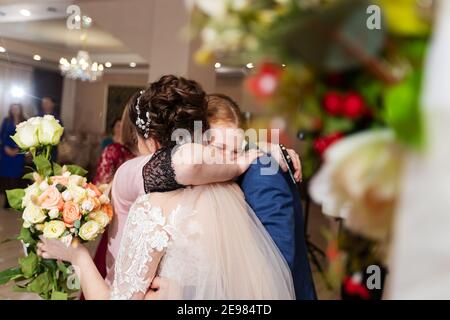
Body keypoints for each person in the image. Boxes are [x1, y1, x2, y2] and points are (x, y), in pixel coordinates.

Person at [38, 75, 296, 299]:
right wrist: (256, 154)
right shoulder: (231, 192)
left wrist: (77, 256)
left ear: (149, 139)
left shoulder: (152, 206)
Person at [206, 93, 316, 299]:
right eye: (219, 149)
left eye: (236, 150)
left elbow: (277, 267)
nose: (230, 160)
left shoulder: (262, 175)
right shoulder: (206, 175)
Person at [0, 104, 27, 207]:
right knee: (7, 178)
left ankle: (16, 202)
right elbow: (1, 136)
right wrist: (6, 147)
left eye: (17, 108)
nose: (15, 110)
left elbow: (26, 137)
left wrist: (18, 149)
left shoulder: (25, 121)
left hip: (19, 153)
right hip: (6, 153)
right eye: (13, 108)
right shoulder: (6, 121)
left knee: (16, 178)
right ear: (10, 110)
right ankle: (7, 201)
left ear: (20, 109)